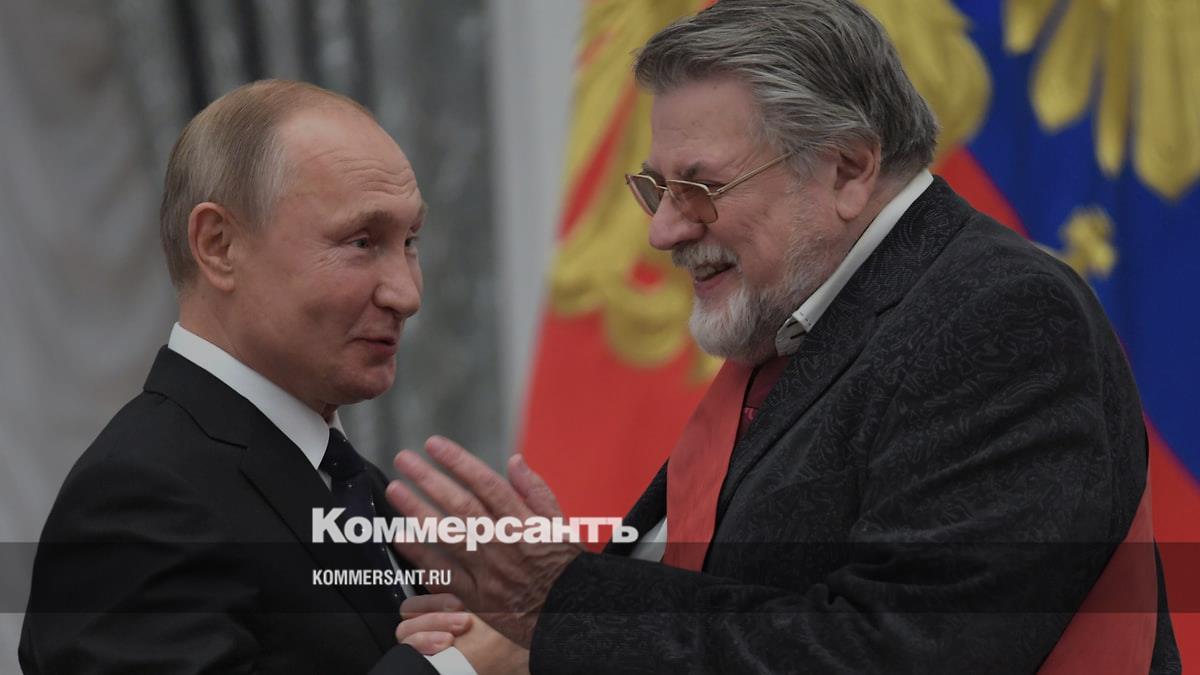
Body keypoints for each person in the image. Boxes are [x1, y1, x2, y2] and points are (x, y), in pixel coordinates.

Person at [383, 1, 1181, 672]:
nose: (662, 230)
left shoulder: (1002, 317)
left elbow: (899, 651)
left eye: (699, 186)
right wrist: (534, 633)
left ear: (848, 169)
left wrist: (559, 604)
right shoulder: (808, 324)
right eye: (657, 188)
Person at [19, 79, 521, 674]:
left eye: (409, 241)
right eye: (362, 242)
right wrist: (459, 668)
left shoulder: (350, 482)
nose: (406, 294)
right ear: (219, 246)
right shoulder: (135, 498)